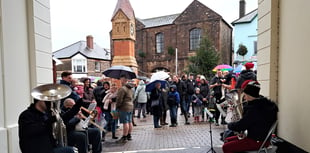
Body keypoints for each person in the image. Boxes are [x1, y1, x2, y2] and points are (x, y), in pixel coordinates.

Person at [222, 81, 278, 153]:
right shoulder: (263, 105)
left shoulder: (254, 109)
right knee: (227, 140)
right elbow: (252, 123)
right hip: (259, 137)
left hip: (257, 140)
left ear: (249, 95)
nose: (244, 98)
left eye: (245, 95)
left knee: (226, 147)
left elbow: (241, 125)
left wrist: (230, 125)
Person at [115, 75, 135, 143]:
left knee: (125, 122)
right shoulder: (131, 88)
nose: (120, 80)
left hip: (124, 107)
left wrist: (117, 106)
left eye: (121, 79)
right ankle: (129, 135)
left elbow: (119, 99)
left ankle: (124, 137)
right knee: (129, 121)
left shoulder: (122, 89)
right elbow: (133, 97)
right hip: (130, 106)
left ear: (123, 80)